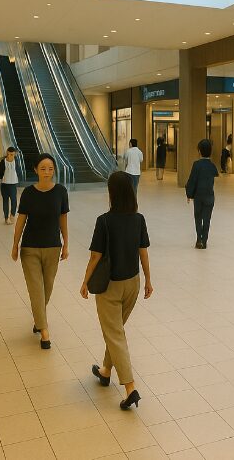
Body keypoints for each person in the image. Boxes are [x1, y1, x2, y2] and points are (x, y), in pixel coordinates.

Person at [81, 171, 153, 411]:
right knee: (116, 331)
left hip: (110, 286)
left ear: (111, 193)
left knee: (115, 335)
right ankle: (105, 371)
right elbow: (143, 252)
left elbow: (95, 256)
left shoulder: (104, 221)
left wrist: (84, 282)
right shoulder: (138, 218)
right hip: (132, 283)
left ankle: (130, 388)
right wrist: (149, 281)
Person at [11, 154, 69, 350]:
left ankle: (38, 320)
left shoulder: (61, 192)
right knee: (36, 290)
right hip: (30, 249)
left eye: (50, 169)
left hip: (53, 247)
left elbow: (63, 220)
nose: (47, 172)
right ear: (35, 170)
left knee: (47, 289)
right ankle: (44, 332)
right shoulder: (28, 193)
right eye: (43, 168)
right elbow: (21, 220)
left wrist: (66, 243)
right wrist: (15, 244)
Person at [186, 139, 219, 249]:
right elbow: (215, 175)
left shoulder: (196, 165)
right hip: (209, 195)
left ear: (199, 151)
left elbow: (192, 180)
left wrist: (189, 194)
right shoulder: (212, 166)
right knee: (207, 219)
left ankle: (199, 239)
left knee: (198, 217)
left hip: (198, 196)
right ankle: (204, 241)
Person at [0, 146, 20, 224]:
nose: (11, 156)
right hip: (4, 184)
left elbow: (18, 170)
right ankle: (6, 218)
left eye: (12, 155)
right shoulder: (3, 162)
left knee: (14, 200)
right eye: (9, 154)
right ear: (7, 153)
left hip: (13, 184)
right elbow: (0, 174)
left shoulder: (16, 161)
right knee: (5, 201)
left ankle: (12, 215)